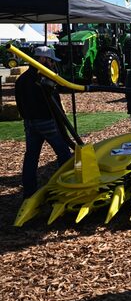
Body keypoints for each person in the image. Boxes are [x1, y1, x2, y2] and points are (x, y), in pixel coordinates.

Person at [15, 46, 73, 199]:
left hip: (30, 123)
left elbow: (19, 104)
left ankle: (29, 191)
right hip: (47, 121)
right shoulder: (45, 78)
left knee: (31, 157)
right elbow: (54, 102)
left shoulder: (21, 79)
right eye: (51, 61)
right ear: (42, 59)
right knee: (64, 154)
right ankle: (68, 186)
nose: (52, 64)